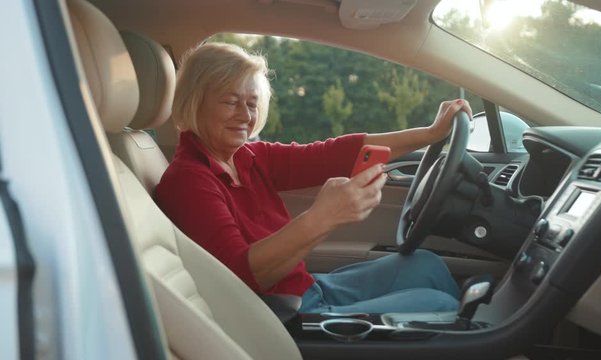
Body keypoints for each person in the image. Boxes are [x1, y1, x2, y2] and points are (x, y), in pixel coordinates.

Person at [154, 42, 473, 314]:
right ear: (194, 101)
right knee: (439, 306)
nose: (245, 115)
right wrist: (323, 218)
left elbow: (336, 154)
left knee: (427, 265)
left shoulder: (249, 157)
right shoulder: (188, 182)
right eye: (229, 101)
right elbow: (241, 275)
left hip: (307, 288)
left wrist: (432, 133)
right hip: (283, 316)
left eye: (251, 103)